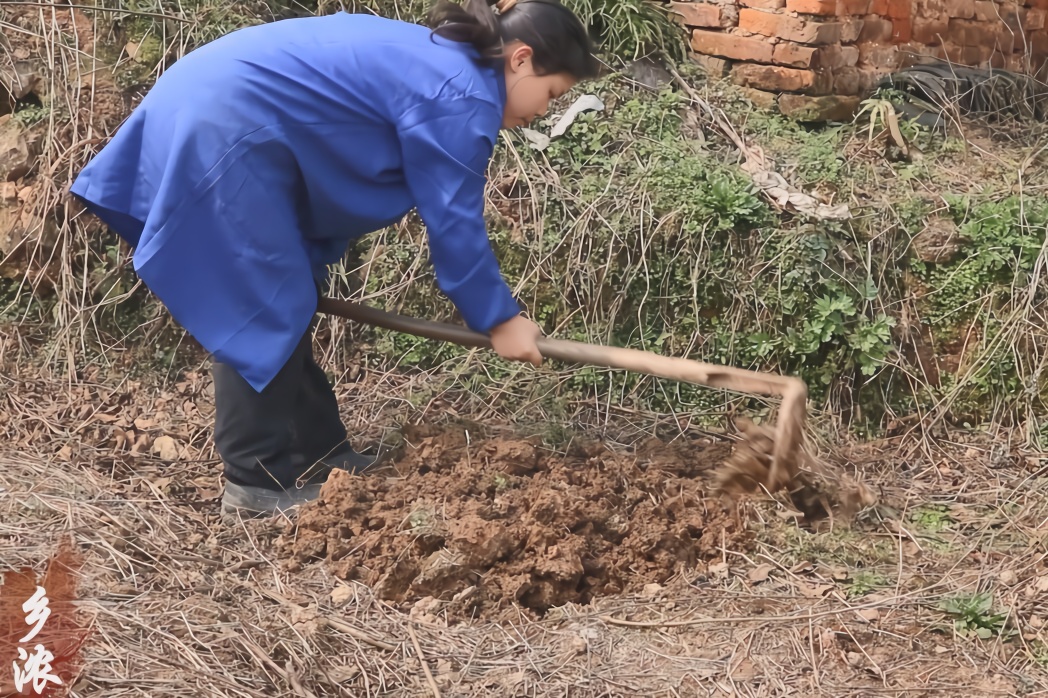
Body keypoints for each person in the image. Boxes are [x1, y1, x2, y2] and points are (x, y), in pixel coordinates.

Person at [68, 0, 599, 515]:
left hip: (214, 105)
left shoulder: (444, 62)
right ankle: (254, 482)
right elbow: (454, 223)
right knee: (264, 302)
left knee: (286, 291)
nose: (544, 110)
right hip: (225, 126)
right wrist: (501, 319)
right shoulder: (461, 93)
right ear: (522, 59)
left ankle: (321, 453)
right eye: (551, 93)